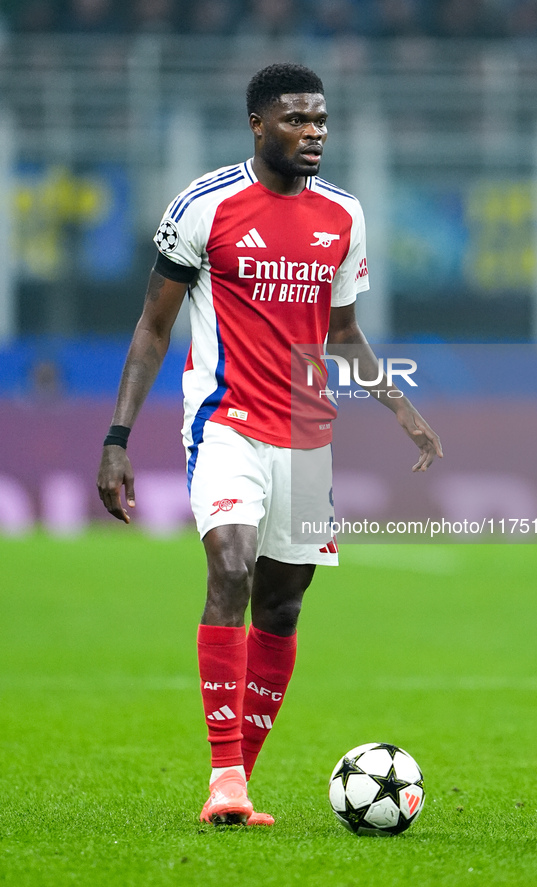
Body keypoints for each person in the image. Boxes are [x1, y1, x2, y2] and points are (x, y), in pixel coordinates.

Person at [97, 62, 442, 827]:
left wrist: (399, 406)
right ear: (258, 124)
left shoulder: (344, 216)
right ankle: (224, 773)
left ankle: (236, 787)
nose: (313, 133)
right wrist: (117, 436)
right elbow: (153, 326)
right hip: (223, 421)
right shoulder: (204, 205)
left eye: (320, 120)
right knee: (230, 566)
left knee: (282, 607)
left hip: (306, 434)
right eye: (296, 120)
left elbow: (342, 332)